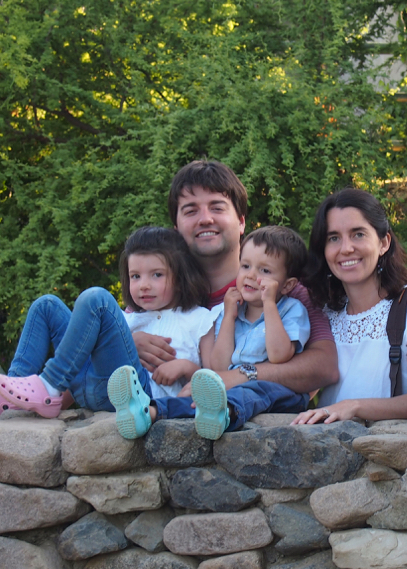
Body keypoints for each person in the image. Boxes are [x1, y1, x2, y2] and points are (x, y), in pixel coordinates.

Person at [0, 227, 215, 419]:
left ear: (180, 277)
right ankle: (10, 393)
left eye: (156, 275)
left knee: (97, 299)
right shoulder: (126, 318)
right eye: (135, 276)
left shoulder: (198, 319)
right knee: (46, 305)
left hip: (137, 396)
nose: (143, 285)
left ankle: (47, 386)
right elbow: (80, 355)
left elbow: (214, 378)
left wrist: (186, 367)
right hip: (91, 384)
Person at [132, 160, 339, 395]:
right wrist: (129, 342)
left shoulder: (284, 290)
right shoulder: (157, 290)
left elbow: (325, 367)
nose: (205, 219)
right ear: (176, 229)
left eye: (217, 208)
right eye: (191, 211)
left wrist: (240, 376)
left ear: (241, 221)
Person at [109, 225, 312, 439]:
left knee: (251, 391)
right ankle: (150, 412)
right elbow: (219, 367)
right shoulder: (229, 310)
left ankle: (224, 412)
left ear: (287, 285)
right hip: (229, 389)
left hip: (278, 391)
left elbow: (279, 355)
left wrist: (269, 303)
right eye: (245, 266)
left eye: (265, 271)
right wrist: (229, 317)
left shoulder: (291, 310)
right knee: (198, 397)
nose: (251, 275)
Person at [291, 187, 407, 425]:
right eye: (333, 238)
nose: (346, 248)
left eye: (358, 234)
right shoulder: (322, 316)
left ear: (384, 243)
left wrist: (355, 407)